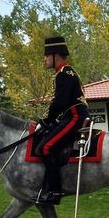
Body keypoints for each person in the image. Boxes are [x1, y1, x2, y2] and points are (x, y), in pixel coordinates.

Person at [34, 35, 89, 204]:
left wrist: (44, 121)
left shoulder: (64, 74)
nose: (44, 59)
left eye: (46, 56)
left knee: (46, 148)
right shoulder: (66, 73)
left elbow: (59, 103)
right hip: (69, 116)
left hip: (74, 117)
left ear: (55, 56)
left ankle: (55, 192)